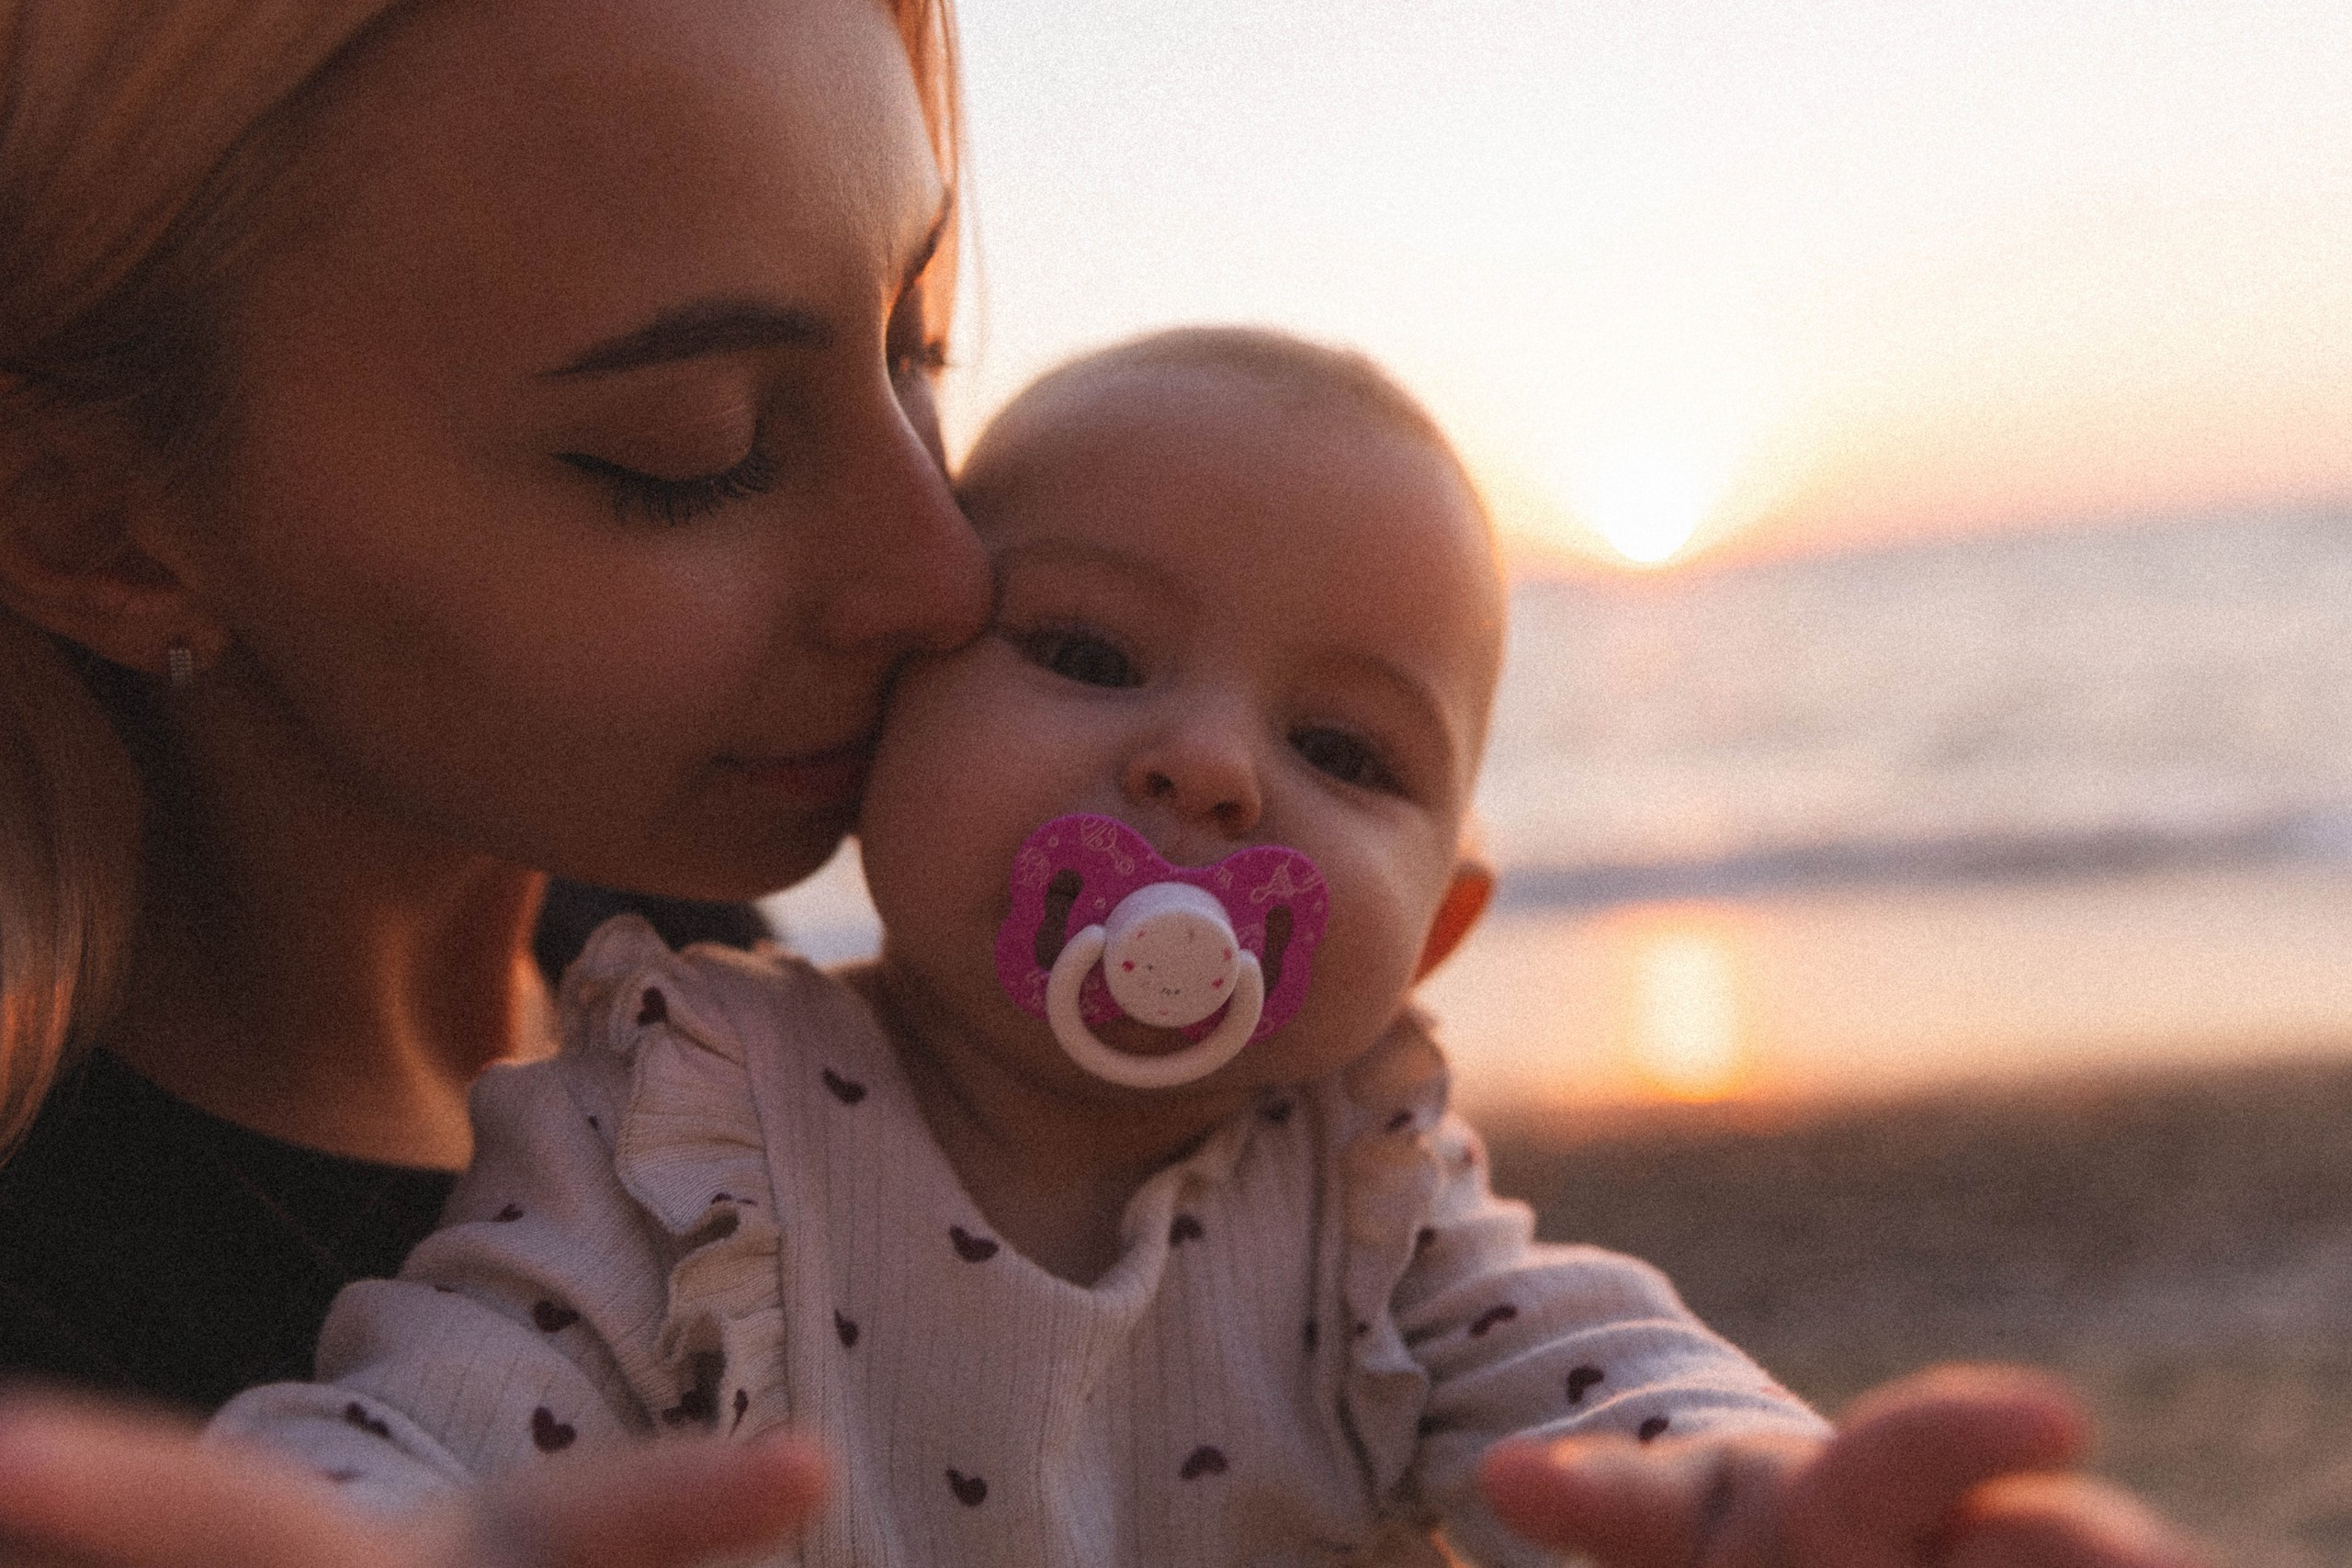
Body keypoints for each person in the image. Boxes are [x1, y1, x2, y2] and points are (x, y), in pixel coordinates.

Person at [211, 330, 2214, 1568]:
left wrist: (1756, 1499)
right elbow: (439, 1407)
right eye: (1083, 649)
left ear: (1427, 933)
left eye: (1340, 747)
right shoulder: (683, 1114)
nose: (1201, 763)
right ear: (883, 710)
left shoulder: (1363, 1206)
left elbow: (1603, 1379)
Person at [0, 0, 978, 1562]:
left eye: (911, 343)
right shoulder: (63, 1377)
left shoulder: (672, 954)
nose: (945, 570)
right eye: (693, 447)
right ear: (91, 528)